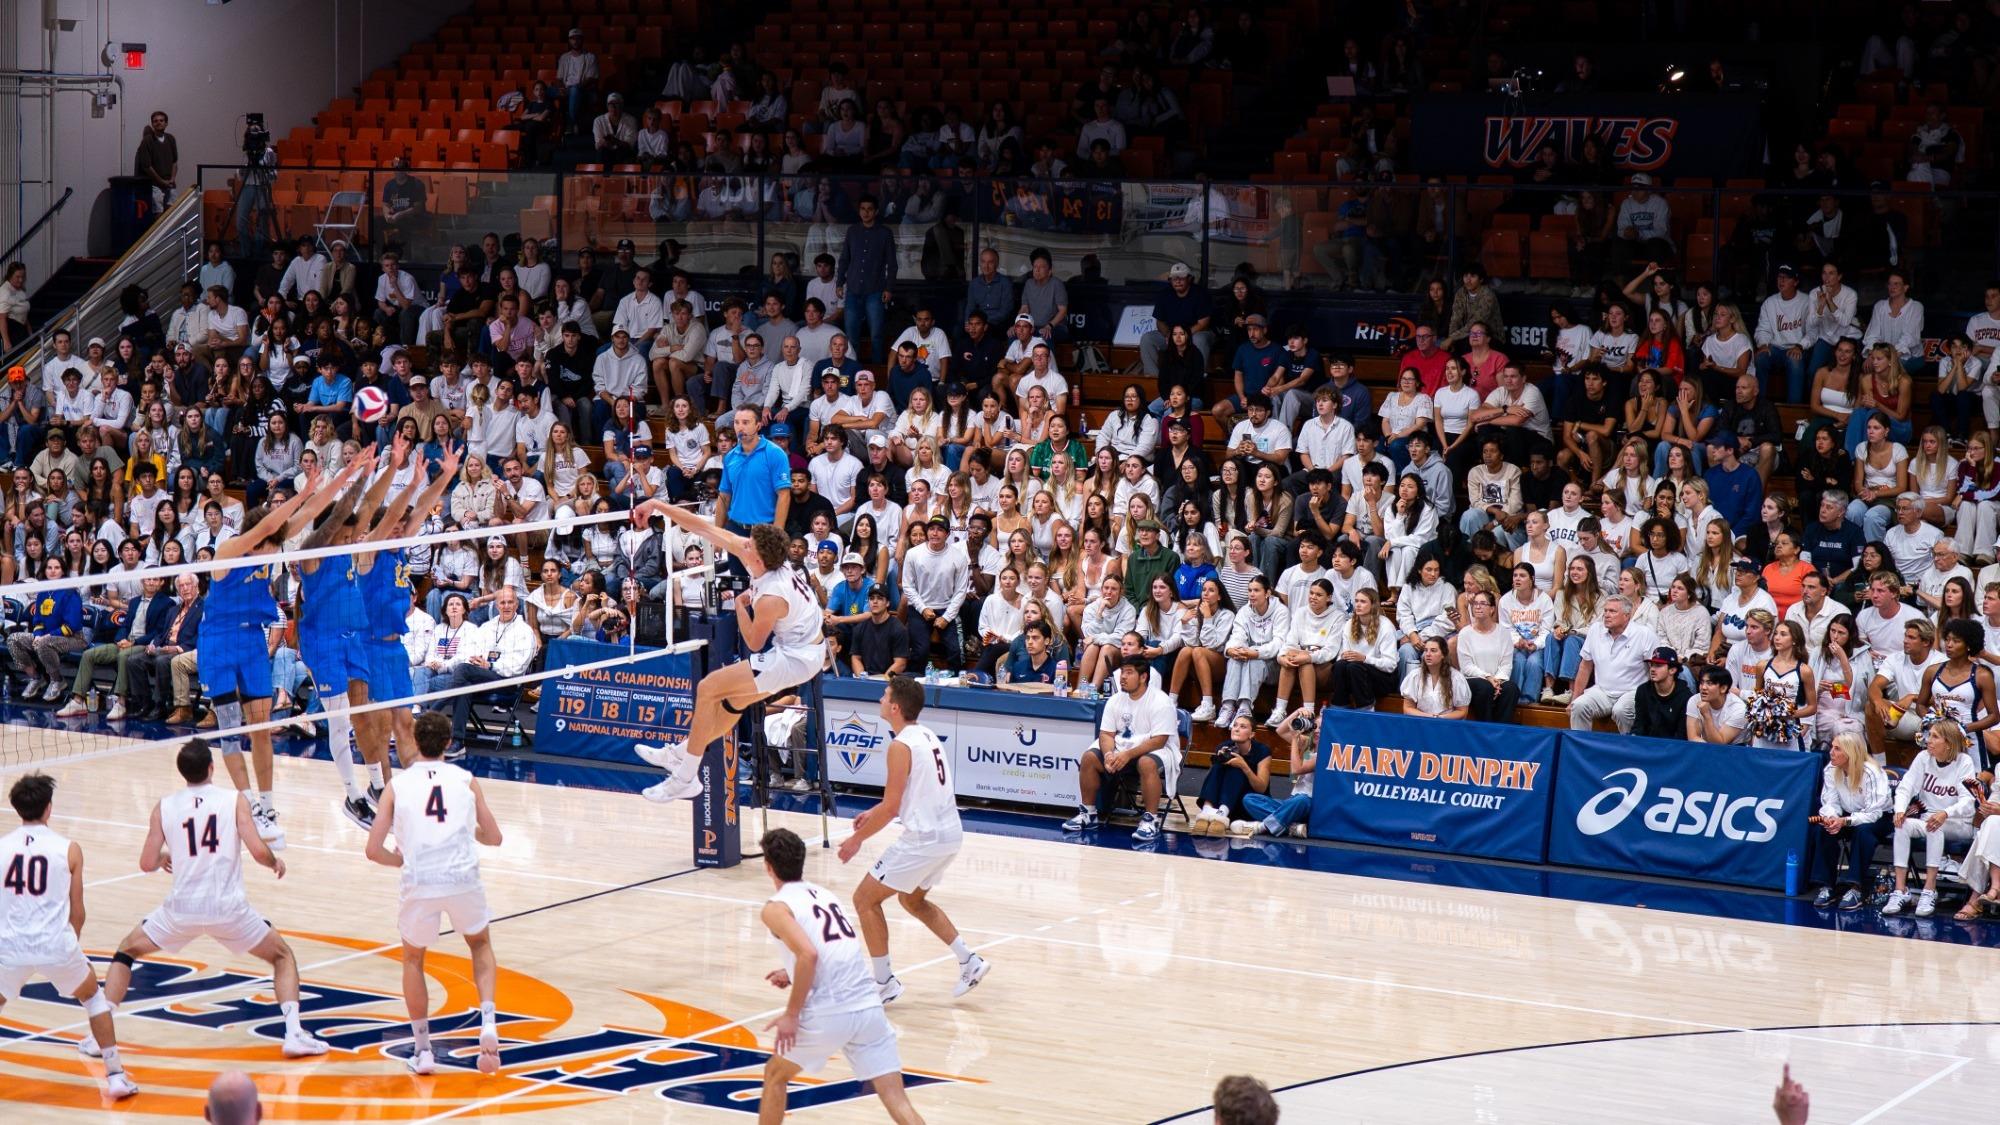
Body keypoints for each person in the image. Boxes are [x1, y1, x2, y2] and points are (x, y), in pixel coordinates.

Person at [90, 740, 327, 1059]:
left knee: (126, 952)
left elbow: (146, 863)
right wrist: (275, 862)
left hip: (181, 910)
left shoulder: (164, 806)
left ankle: (98, 1039)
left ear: (182, 773)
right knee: (282, 956)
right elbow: (258, 850)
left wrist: (162, 858)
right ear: (212, 768)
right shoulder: (234, 800)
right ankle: (294, 1033)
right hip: (227, 908)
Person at [201, 454, 372, 846]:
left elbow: (309, 514)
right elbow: (275, 523)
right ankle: (246, 803)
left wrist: (336, 479)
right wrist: (302, 492)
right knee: (231, 733)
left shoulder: (271, 545)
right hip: (219, 644)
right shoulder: (230, 550)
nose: (275, 548)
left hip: (251, 642)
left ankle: (265, 806)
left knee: (261, 729)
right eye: (270, 540)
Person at [632, 501, 829, 800]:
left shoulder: (771, 598)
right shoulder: (766, 560)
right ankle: (681, 753)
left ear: (758, 559)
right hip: (801, 645)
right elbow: (702, 527)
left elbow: (752, 642)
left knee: (709, 687)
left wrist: (739, 605)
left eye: (748, 544)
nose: (742, 543)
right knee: (732, 704)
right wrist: (658, 505)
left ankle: (685, 777)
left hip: (798, 658)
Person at [363, 711, 505, 1075]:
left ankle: (423, 1049)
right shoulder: (466, 779)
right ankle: (488, 1021)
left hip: (420, 879)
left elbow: (373, 849)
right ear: (448, 743)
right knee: (480, 944)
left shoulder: (397, 786)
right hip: (461, 876)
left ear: (411, 742)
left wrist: (402, 861)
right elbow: (495, 837)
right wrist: (468, 831)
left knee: (413, 959)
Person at [755, 827, 927, 1125]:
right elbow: (833, 949)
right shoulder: (825, 894)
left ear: (768, 866)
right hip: (869, 1009)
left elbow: (809, 955)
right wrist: (791, 971)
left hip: (830, 1011)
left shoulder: (776, 908)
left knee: (774, 1076)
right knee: (897, 1100)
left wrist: (791, 1015)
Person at [835, 675, 990, 1004]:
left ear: (894, 707)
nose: (879, 699)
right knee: (912, 901)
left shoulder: (899, 745)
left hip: (925, 838)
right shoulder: (926, 735)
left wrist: (857, 839)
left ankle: (884, 983)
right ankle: (969, 961)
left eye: (884, 695)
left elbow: (892, 809)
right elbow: (904, 796)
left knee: (864, 900)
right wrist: (872, 811)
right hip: (950, 833)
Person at [0, 773, 138, 1098]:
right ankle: (116, 1075)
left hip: (10, 945)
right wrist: (70, 949)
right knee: (93, 998)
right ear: (49, 808)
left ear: (17, 808)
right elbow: (78, 912)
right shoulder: (69, 850)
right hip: (56, 944)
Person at [1061, 654, 1182, 843]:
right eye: (1122, 672)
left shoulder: (1161, 701)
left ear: (1143, 677)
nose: (1123, 677)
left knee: (1147, 763)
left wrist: (1128, 754)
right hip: (1121, 749)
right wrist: (1109, 754)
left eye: (1129, 673)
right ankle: (1088, 813)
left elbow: (1159, 740)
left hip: (1157, 750)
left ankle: (1151, 820)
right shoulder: (1115, 700)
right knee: (1089, 758)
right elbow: (1106, 734)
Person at [1882, 720, 1977, 918]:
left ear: (1949, 742)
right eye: (1929, 735)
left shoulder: (1964, 762)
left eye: (1934, 736)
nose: (1929, 741)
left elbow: (1969, 801)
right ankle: (1900, 890)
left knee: (1935, 825)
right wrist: (1899, 810)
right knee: (1902, 825)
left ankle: (1929, 888)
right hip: (1927, 818)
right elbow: (1905, 786)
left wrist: (1946, 813)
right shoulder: (1923, 758)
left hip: (1958, 822)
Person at [1806, 732, 1892, 910]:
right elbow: (1830, 802)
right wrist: (1831, 817)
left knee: (1863, 832)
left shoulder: (1871, 772)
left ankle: (1856, 887)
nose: (1831, 752)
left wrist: (1844, 821)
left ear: (1851, 753)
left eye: (1837, 749)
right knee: (1824, 829)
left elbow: (1873, 812)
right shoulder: (1831, 769)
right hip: (1847, 814)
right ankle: (1827, 885)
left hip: (1879, 817)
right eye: (1832, 747)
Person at [1568, 594, 1660, 732]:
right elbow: (1585, 667)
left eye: (1612, 611)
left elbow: (1656, 669)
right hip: (1602, 691)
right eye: (1605, 610)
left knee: (1621, 710)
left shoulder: (1644, 634)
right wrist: (1574, 698)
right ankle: (1580, 750)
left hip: (1632, 692)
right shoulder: (1595, 630)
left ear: (1627, 615)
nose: (1606, 615)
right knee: (1579, 706)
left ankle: (1629, 749)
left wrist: (1655, 700)